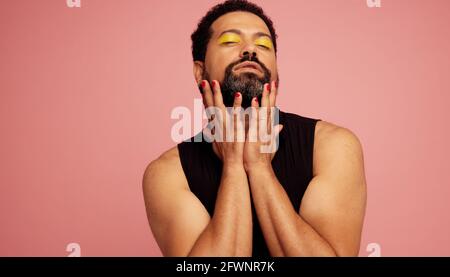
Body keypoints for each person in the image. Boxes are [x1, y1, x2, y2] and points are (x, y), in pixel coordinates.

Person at [143, 0, 367, 257]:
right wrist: (234, 167)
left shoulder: (333, 147)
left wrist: (260, 169)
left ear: (277, 72)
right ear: (199, 71)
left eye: (263, 44)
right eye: (230, 41)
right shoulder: (168, 174)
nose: (250, 49)